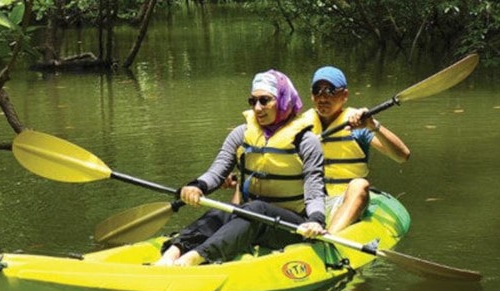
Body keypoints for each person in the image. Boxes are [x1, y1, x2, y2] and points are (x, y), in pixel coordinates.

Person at [156, 70, 326, 267]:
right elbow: (217, 171)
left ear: (283, 100)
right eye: (252, 101)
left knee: (256, 209)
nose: (258, 108)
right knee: (223, 212)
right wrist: (197, 187)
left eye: (265, 100)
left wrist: (316, 220)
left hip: (291, 225)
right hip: (248, 216)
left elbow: (314, 190)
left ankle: (195, 257)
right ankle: (173, 252)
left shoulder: (306, 141)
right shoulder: (241, 134)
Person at [304, 66, 410, 233]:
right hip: (310, 201)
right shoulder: (301, 127)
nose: (323, 96)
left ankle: (329, 237)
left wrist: (372, 125)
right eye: (317, 90)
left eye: (330, 90)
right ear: (311, 95)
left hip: (344, 200)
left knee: (360, 184)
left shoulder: (358, 127)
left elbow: (402, 156)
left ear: (344, 95)